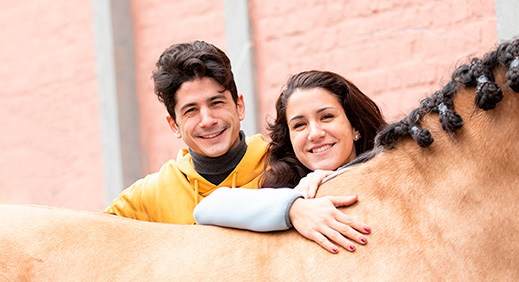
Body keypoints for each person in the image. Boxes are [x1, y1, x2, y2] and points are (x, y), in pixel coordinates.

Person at [104, 41, 369, 251]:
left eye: (216, 103)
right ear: (173, 125)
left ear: (239, 106)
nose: (208, 120)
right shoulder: (147, 196)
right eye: (190, 110)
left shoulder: (284, 163)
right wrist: (292, 207)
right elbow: (90, 243)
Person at [194, 70, 386, 253]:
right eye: (300, 125)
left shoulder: (390, 175)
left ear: (355, 126)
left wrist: (339, 177)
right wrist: (294, 207)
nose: (315, 134)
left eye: (326, 117)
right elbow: (205, 209)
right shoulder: (288, 189)